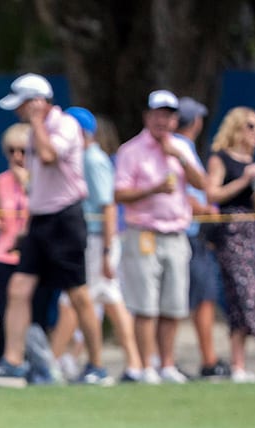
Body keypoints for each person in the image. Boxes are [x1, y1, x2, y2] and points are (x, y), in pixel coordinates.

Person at [0, 74, 111, 387]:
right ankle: (12, 362)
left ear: (37, 101)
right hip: (41, 221)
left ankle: (97, 366)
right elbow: (38, 183)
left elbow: (49, 157)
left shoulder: (65, 126)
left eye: (22, 104)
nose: (17, 111)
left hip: (66, 219)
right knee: (18, 289)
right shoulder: (35, 133)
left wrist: (37, 123)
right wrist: (28, 226)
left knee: (77, 293)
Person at [112, 91, 207, 386]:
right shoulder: (131, 150)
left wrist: (180, 157)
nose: (163, 120)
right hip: (144, 233)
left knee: (173, 304)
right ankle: (146, 365)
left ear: (175, 120)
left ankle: (167, 364)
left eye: (168, 115)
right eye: (158, 114)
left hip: (177, 234)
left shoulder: (182, 148)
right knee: (146, 304)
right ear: (147, 117)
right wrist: (152, 189)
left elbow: (203, 184)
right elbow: (119, 193)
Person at [52, 109, 148, 382]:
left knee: (72, 302)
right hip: (93, 239)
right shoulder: (85, 159)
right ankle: (135, 364)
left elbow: (107, 207)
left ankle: (53, 363)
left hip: (95, 240)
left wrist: (106, 250)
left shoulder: (93, 160)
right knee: (111, 301)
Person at [204, 107, 255, 382]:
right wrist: (246, 178)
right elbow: (213, 193)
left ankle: (240, 364)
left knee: (252, 291)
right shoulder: (220, 158)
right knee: (241, 292)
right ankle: (238, 362)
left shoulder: (251, 161)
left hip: (250, 229)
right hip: (230, 230)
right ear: (236, 127)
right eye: (250, 126)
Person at [176, 98, 226, 379]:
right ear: (195, 122)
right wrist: (206, 209)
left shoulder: (182, 148)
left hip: (191, 235)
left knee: (195, 298)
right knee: (201, 297)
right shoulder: (180, 148)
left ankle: (205, 359)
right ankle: (208, 360)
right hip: (190, 235)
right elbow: (182, 193)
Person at [0, 123, 30, 372]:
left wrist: (26, 184)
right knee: (3, 309)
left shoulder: (38, 180)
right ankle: (3, 360)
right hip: (4, 251)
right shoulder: (1, 181)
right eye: (12, 151)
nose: (17, 157)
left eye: (22, 150)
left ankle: (29, 360)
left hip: (29, 254)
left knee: (29, 310)